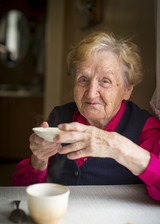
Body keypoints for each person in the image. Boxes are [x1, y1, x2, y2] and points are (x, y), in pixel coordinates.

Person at [13, 32, 160, 201]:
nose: (90, 94)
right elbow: (22, 192)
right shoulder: (58, 117)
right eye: (83, 79)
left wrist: (118, 147)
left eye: (105, 81)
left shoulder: (145, 126)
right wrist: (39, 160)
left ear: (127, 89)